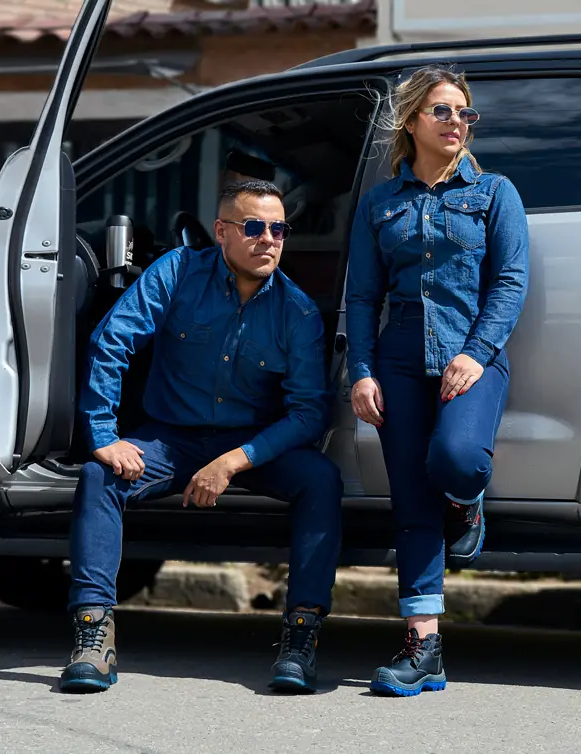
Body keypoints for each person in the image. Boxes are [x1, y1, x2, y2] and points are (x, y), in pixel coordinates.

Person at [61, 179, 343, 695]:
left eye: (279, 229)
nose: (269, 239)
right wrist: (102, 433)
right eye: (254, 227)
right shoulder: (176, 271)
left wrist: (234, 461)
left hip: (250, 444)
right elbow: (111, 342)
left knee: (321, 479)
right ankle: (92, 634)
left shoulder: (297, 311)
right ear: (221, 232)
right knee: (100, 476)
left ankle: (301, 638)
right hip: (172, 439)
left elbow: (308, 414)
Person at [345, 64, 530, 697]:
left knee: (454, 461)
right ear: (412, 121)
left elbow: (509, 283)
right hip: (396, 357)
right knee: (409, 502)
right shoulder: (380, 202)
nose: (458, 124)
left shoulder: (495, 193)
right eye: (444, 112)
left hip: (470, 353)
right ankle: (423, 647)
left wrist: (477, 352)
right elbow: (363, 296)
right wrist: (362, 371)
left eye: (465, 114)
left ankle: (466, 501)